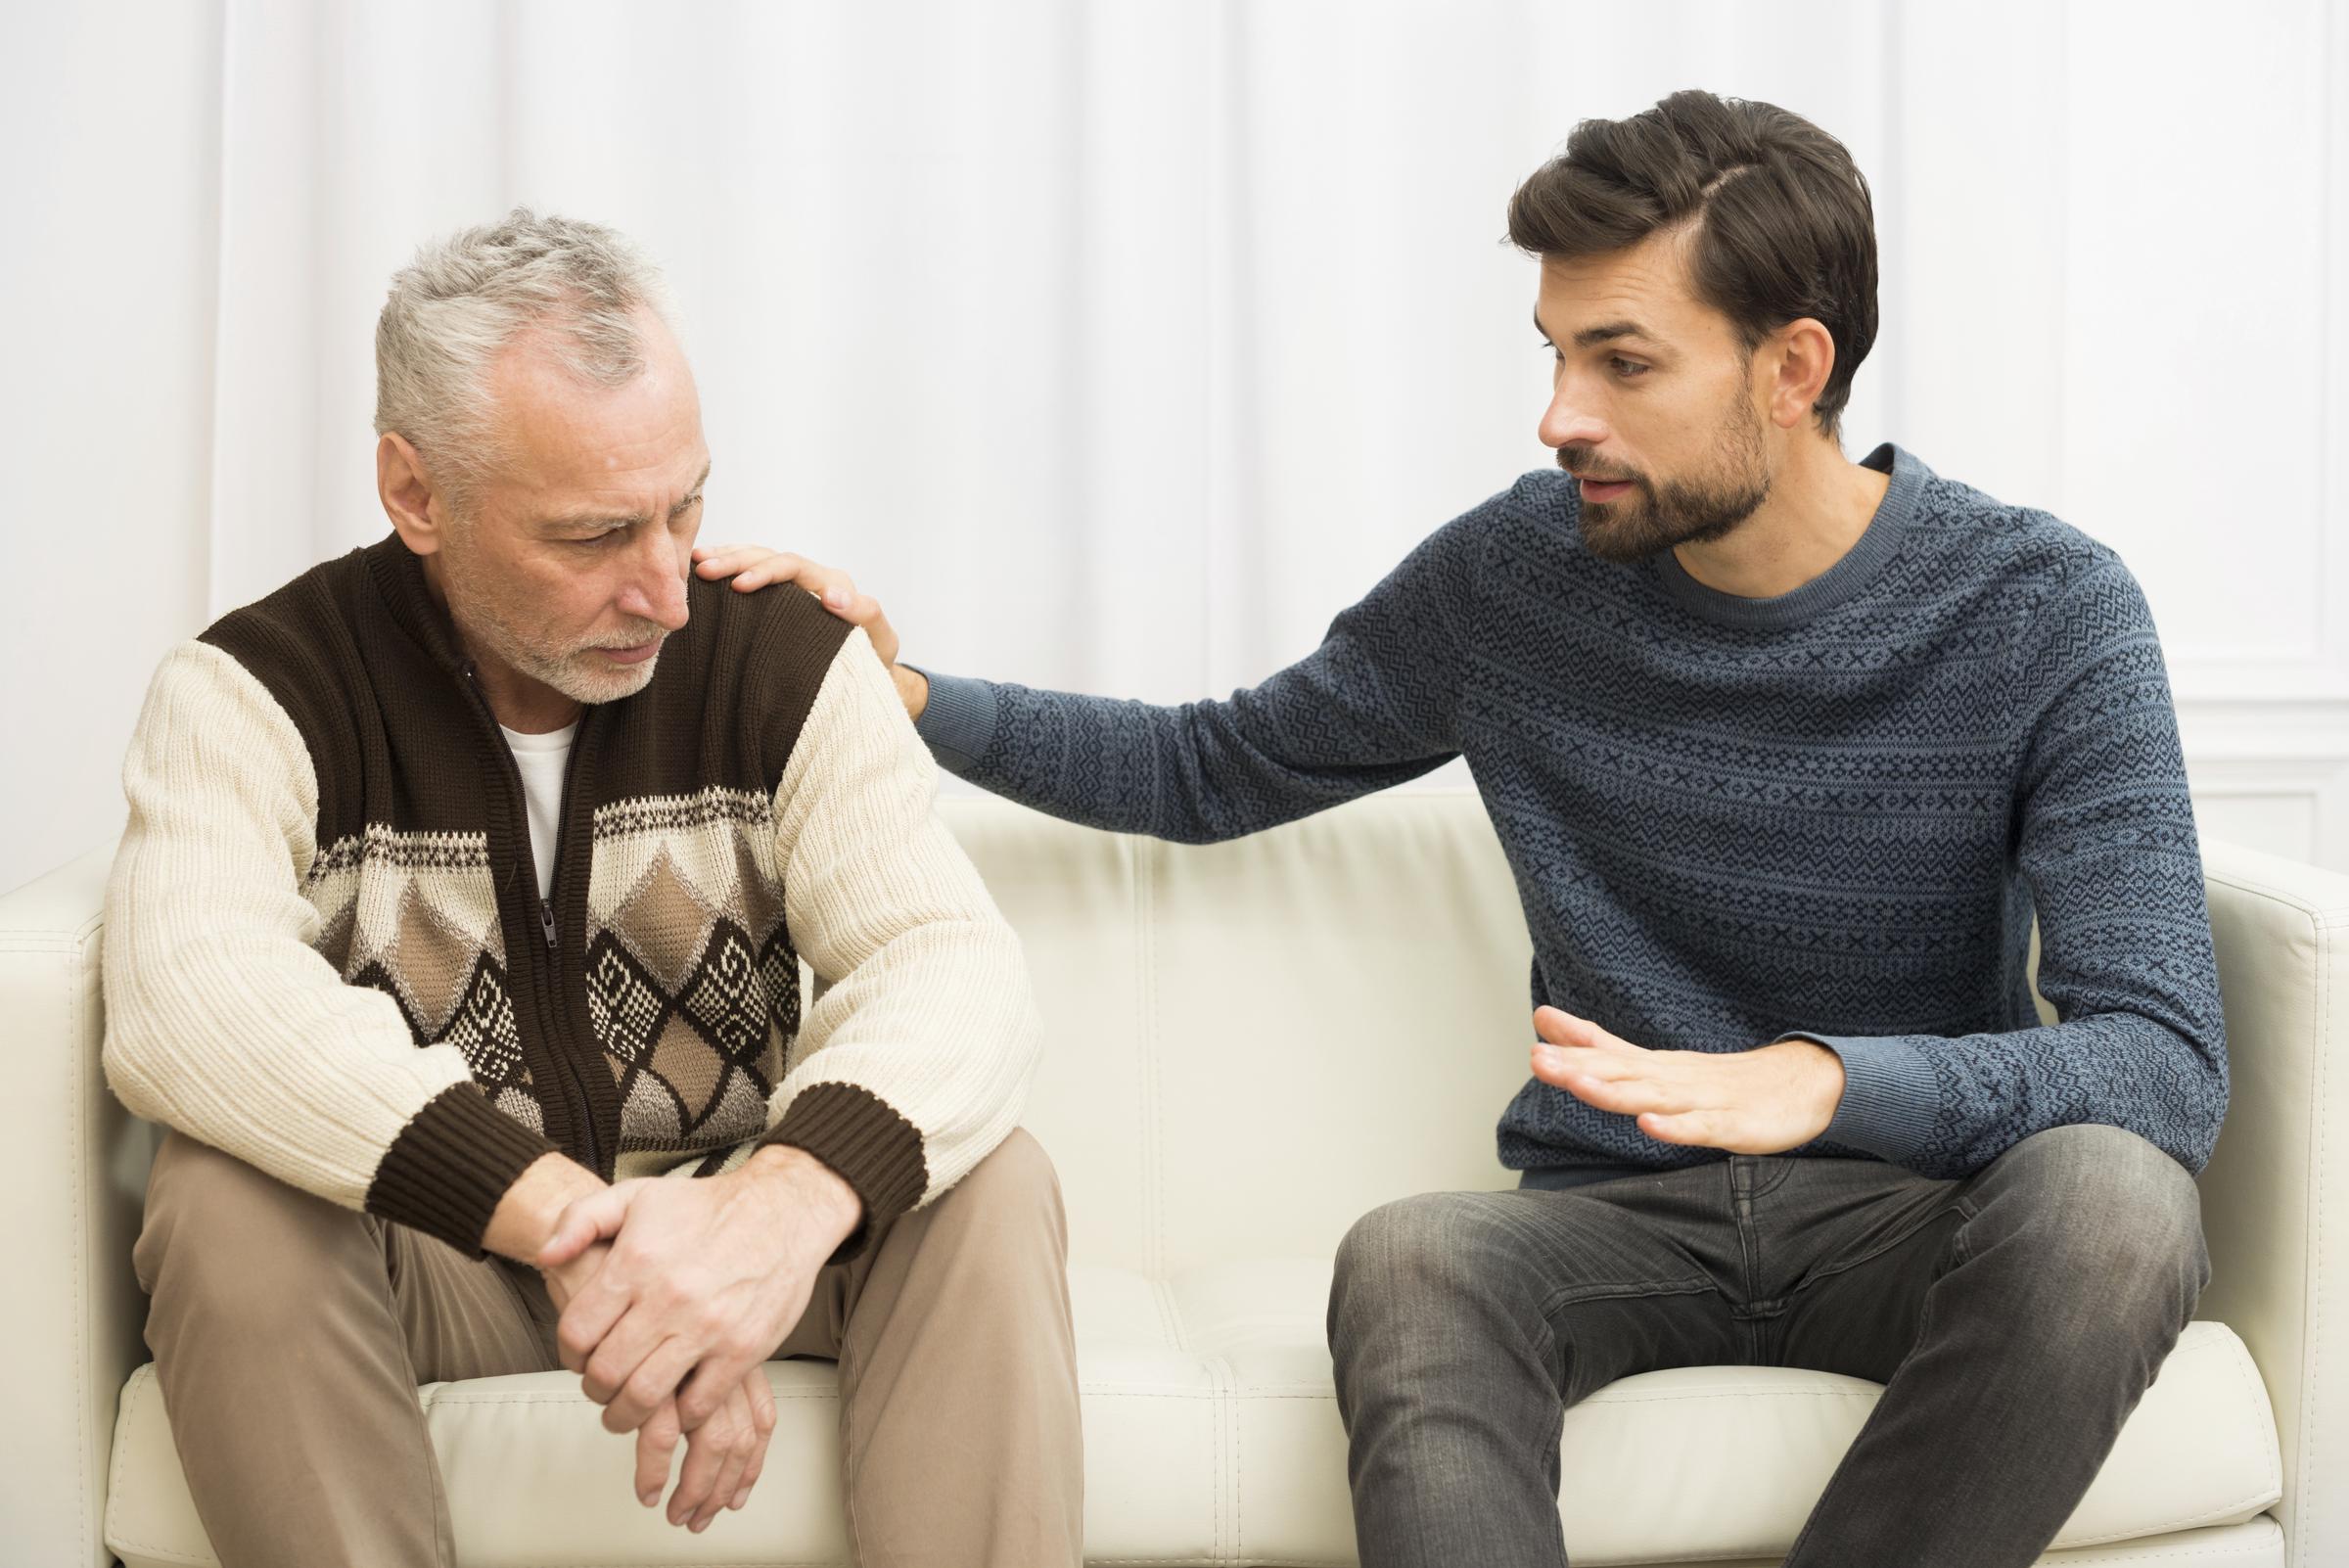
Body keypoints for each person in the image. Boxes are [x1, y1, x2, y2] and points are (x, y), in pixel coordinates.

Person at [723, 89, 2227, 1568]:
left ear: (1793, 367)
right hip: (1618, 1218)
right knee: (1415, 1254)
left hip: (1912, 1216)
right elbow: (1216, 766)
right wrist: (909, 693)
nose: (1561, 415)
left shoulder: (2044, 612)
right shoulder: (1522, 576)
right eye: (1559, 353)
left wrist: (1824, 1081)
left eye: (1622, 361)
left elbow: (2161, 1062)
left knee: (2118, 1207)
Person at [102, 208, 1082, 1568]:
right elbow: (186, 996)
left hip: (750, 1225)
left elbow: (952, 967)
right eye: (596, 535)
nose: (669, 590)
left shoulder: (784, 660)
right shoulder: (257, 692)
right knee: (221, 1198)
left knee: (990, 1180)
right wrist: (567, 1219)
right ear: (417, 493)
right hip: (452, 1251)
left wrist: (771, 1215)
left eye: (687, 506)